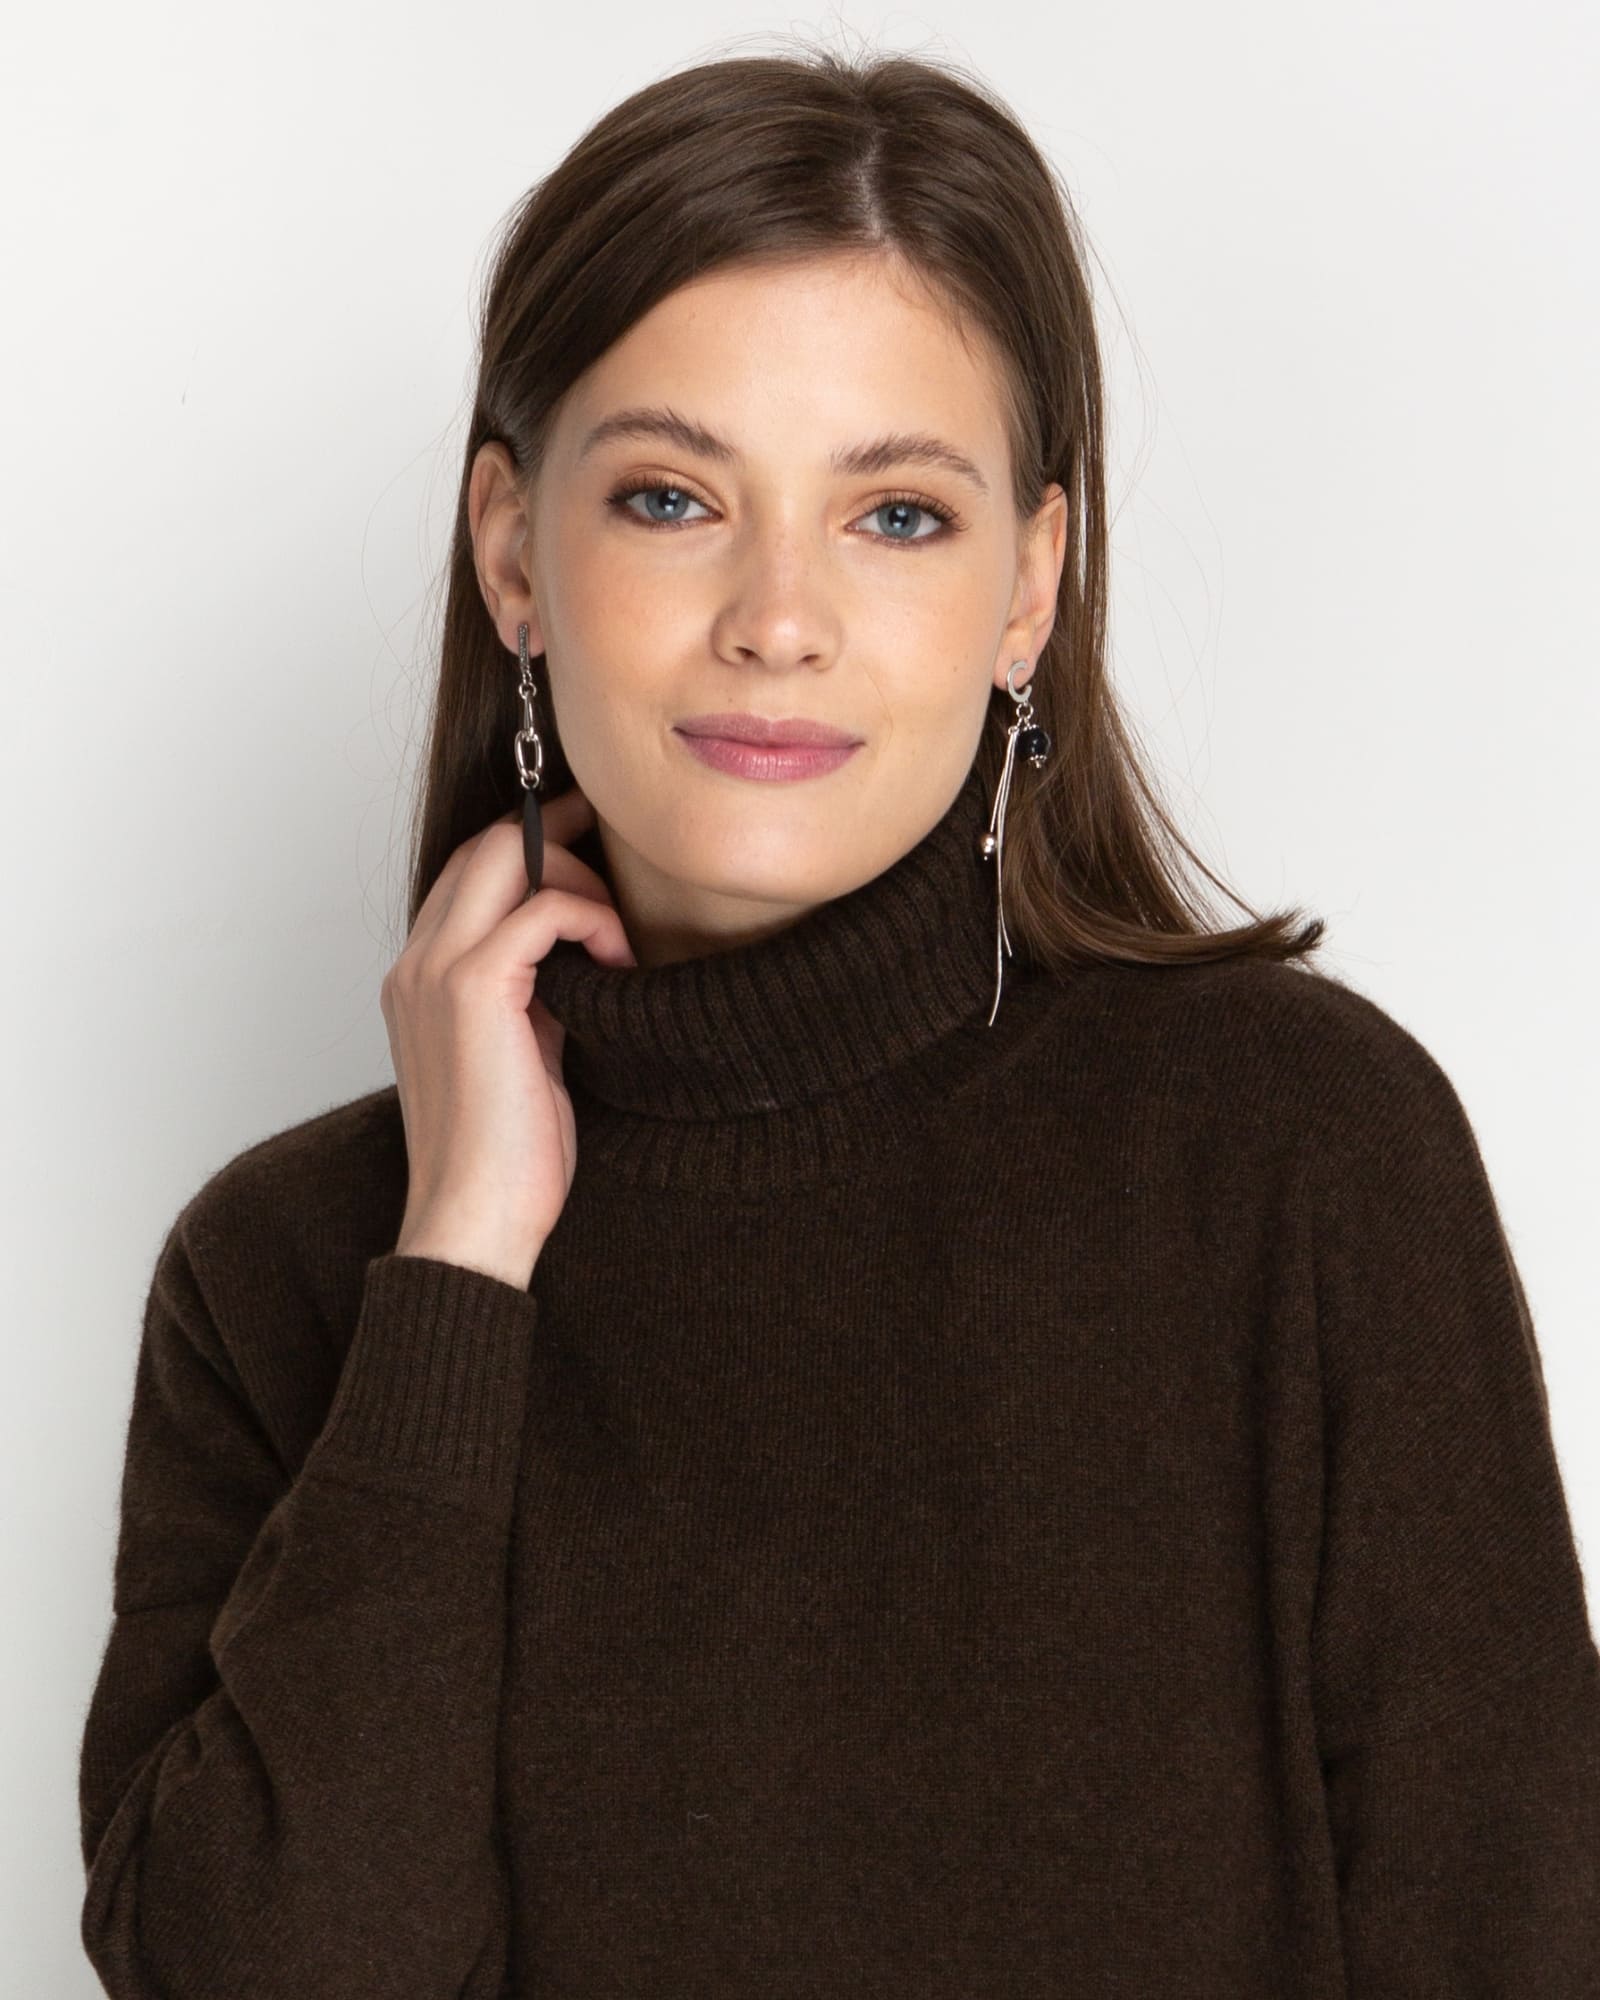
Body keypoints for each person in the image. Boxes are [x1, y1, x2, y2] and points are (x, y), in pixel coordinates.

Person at [77, 39, 1599, 1999]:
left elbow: (1512, 1932)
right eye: (669, 497)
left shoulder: (1297, 1156)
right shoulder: (291, 1271)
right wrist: (455, 1265)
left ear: (1029, 585)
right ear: (514, 552)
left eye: (895, 515)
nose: (777, 616)